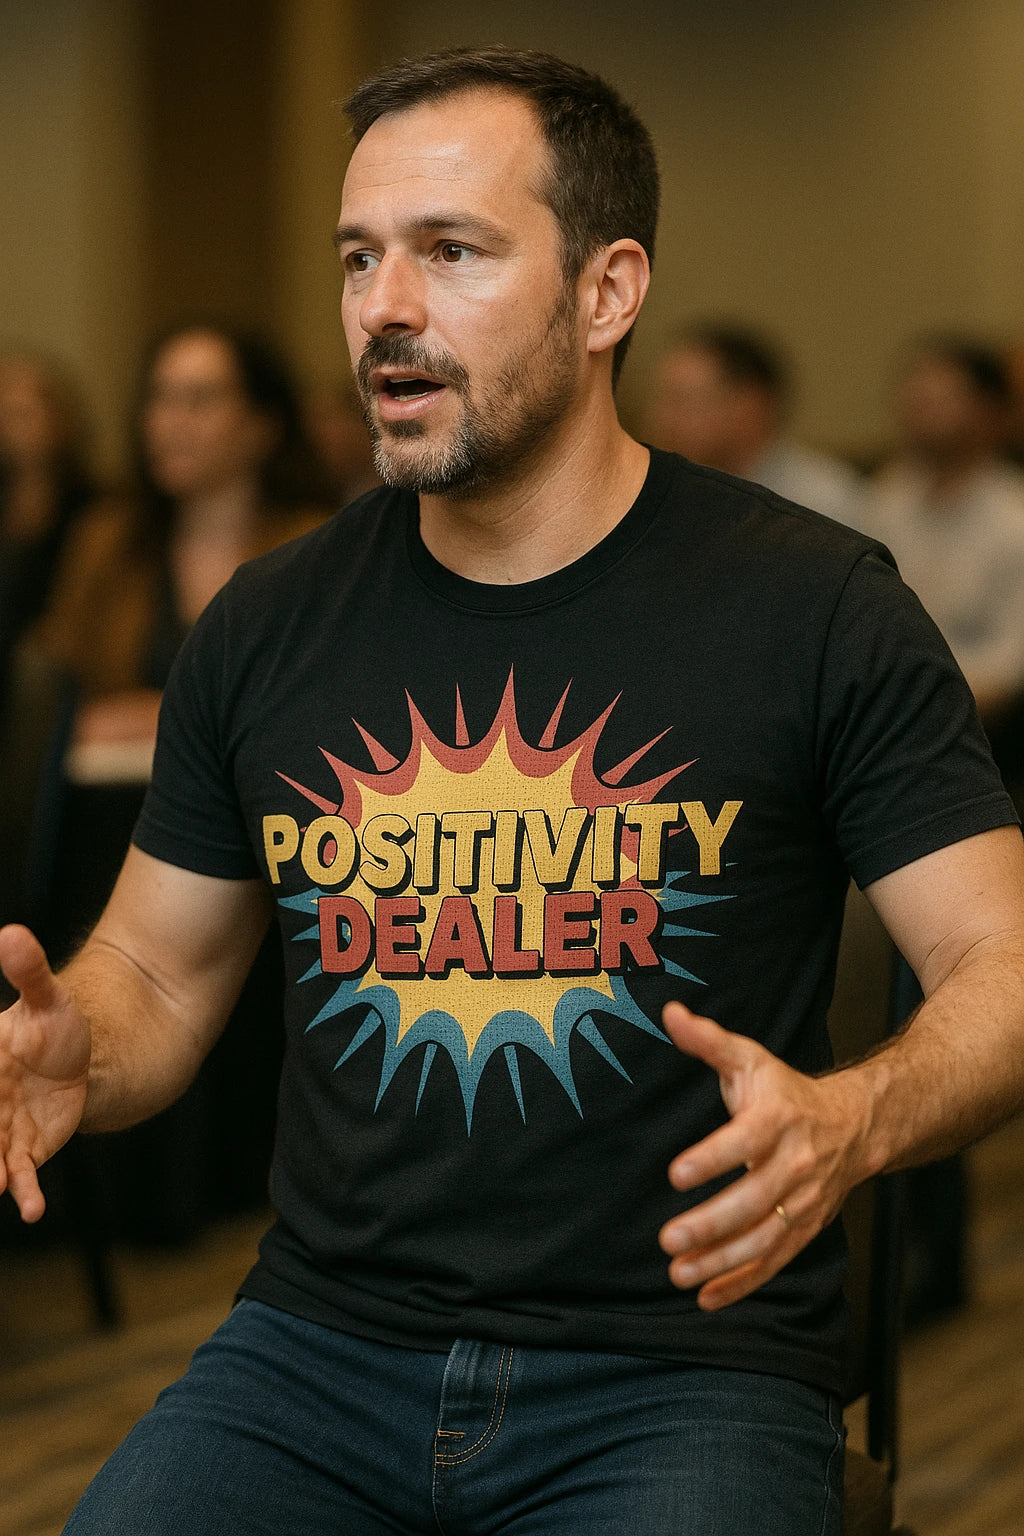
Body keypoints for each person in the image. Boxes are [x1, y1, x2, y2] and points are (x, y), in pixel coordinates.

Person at [1, 46, 1024, 1536]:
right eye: (360, 258)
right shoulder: (270, 623)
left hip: (683, 1363)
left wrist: (856, 1117)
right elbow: (156, 967)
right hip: (317, 1352)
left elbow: (1002, 965)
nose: (384, 311)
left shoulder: (812, 608)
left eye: (452, 252)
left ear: (608, 293)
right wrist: (73, 1050)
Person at [35, 322, 333, 757]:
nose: (170, 422)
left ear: (262, 424)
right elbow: (53, 691)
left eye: (200, 400)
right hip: (118, 799)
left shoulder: (315, 544)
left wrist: (165, 713)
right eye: (160, 397)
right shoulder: (108, 539)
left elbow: (325, 695)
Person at [648, 323, 863, 525]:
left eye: (682, 401)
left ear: (748, 406)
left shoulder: (822, 501)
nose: (662, 419)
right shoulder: (664, 493)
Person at [0, 348, 96, 691]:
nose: (13, 426)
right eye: (7, 413)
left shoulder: (95, 511)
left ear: (62, 418)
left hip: (61, 670)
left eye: (26, 413)